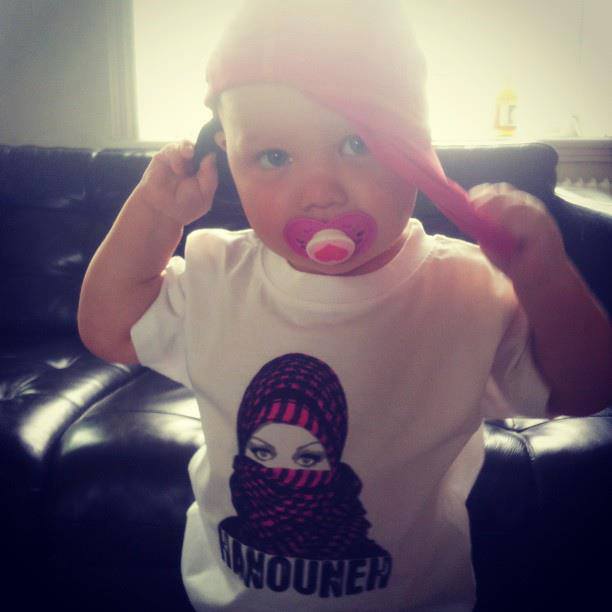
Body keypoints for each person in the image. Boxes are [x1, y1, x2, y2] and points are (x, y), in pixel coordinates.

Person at [77, 1, 611, 610]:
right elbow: (107, 330)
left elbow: (588, 388)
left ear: (415, 142)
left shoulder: (468, 290)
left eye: (357, 143)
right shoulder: (215, 276)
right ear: (227, 153)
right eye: (273, 157)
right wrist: (154, 212)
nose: (320, 193)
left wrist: (546, 278)